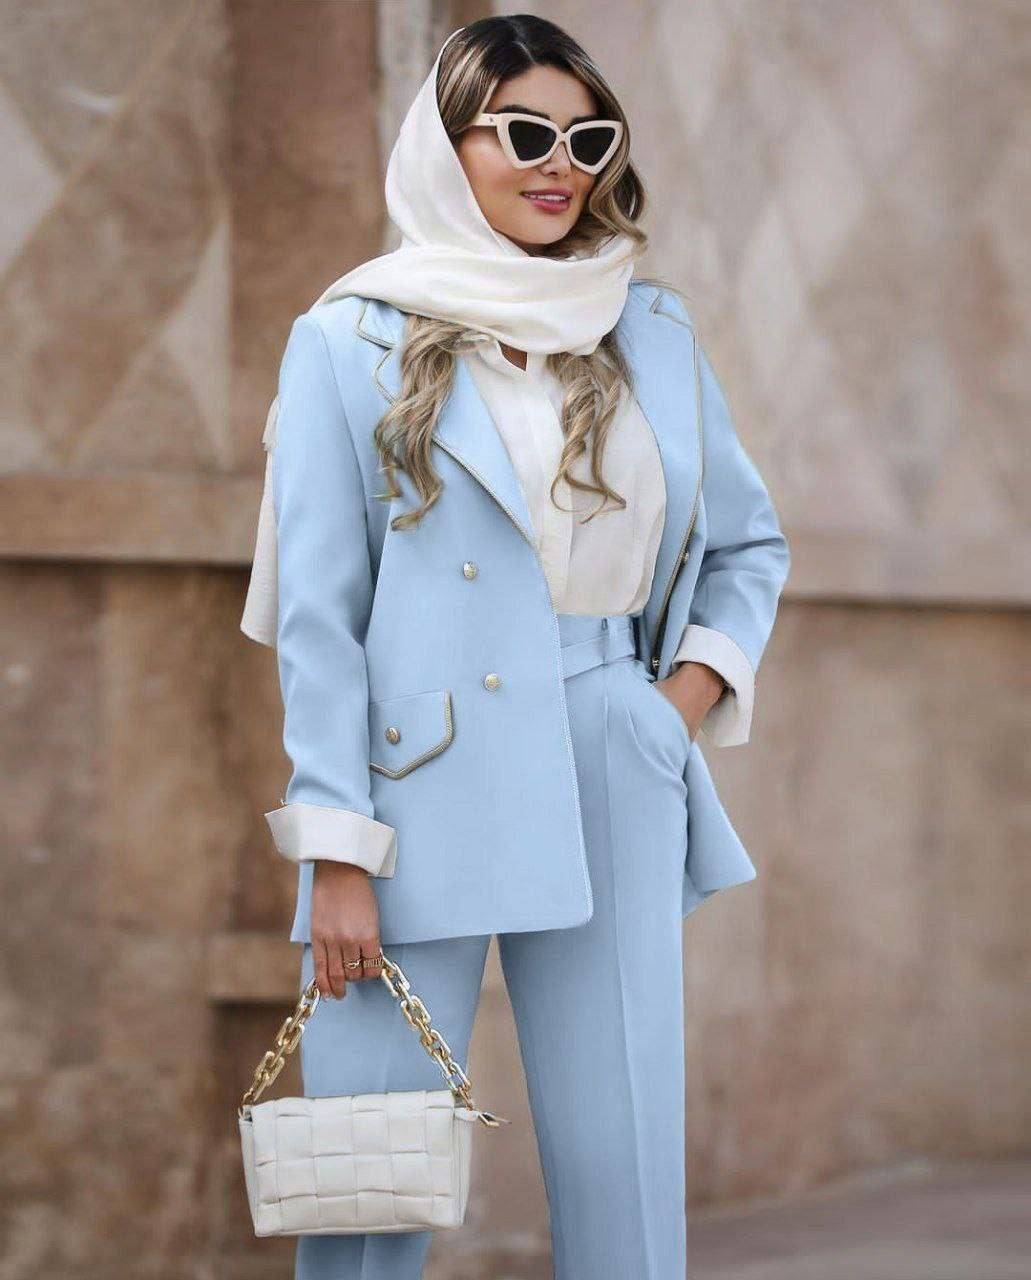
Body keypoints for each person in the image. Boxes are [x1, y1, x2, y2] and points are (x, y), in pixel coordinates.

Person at [239, 15, 790, 1279]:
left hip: (612, 747)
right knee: (375, 1159)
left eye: (587, 141)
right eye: (524, 133)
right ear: (448, 146)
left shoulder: (650, 328)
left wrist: (672, 703)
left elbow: (746, 544)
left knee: (622, 1155)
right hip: (408, 786)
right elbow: (321, 618)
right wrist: (336, 850)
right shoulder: (348, 338)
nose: (559, 165)